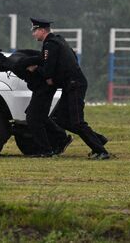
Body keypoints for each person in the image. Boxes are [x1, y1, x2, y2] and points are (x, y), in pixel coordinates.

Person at [27, 18, 110, 159]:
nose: (33, 34)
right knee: (60, 119)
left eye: (34, 31)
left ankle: (101, 151)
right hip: (71, 84)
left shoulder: (50, 45)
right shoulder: (59, 40)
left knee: (77, 121)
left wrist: (34, 68)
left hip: (74, 85)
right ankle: (98, 139)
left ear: (42, 30)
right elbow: (72, 58)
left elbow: (48, 70)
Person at [0, 49, 72, 156]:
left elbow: (40, 59)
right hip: (44, 87)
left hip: (43, 87)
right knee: (40, 116)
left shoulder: (15, 64)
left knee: (33, 118)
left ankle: (46, 150)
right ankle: (62, 139)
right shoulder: (16, 55)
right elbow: (36, 55)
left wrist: (37, 68)